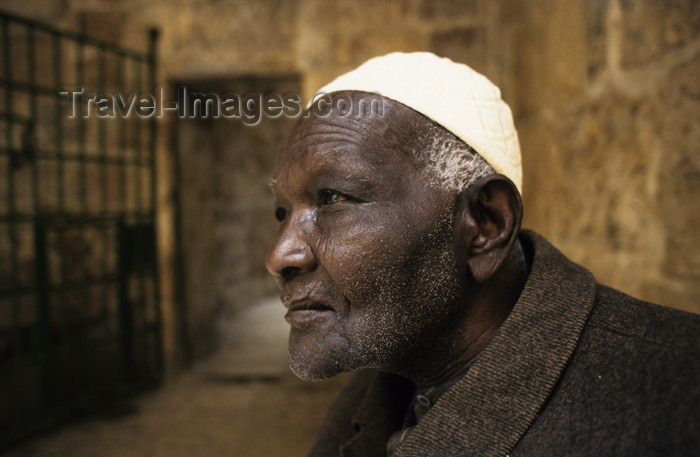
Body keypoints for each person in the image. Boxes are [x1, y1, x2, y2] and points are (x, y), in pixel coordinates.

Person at [264, 52, 700, 457]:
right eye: (284, 211)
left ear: (485, 225)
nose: (280, 254)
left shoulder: (676, 391)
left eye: (334, 199)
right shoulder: (378, 387)